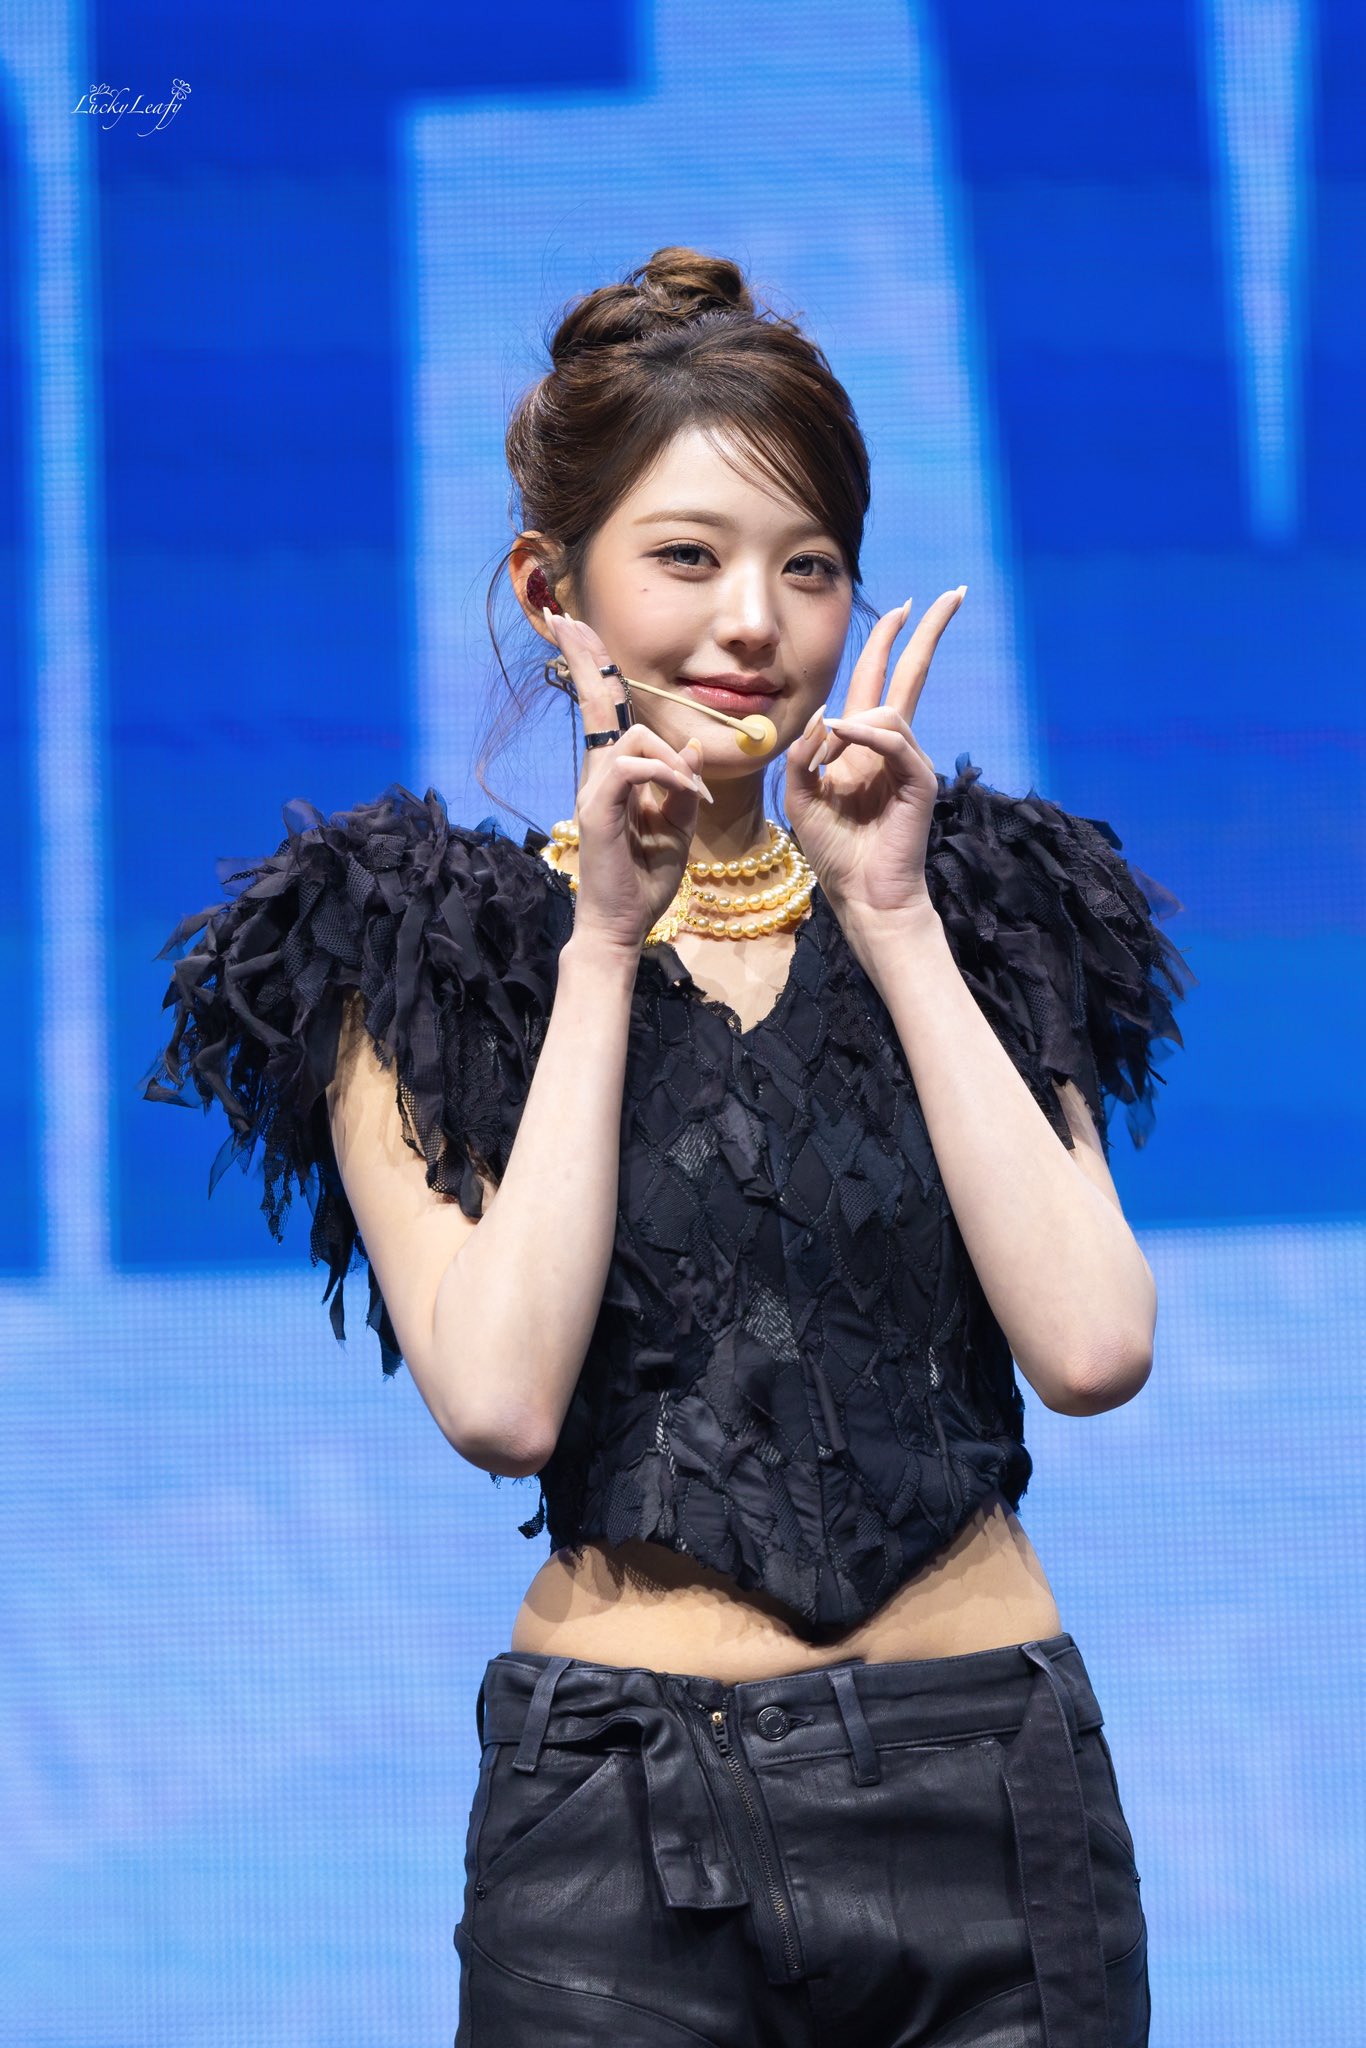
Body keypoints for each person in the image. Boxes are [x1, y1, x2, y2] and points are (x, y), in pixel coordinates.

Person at [143, 246, 1193, 2045]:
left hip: (990, 1802)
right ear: (550, 587)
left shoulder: (983, 904)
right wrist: (604, 947)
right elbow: (498, 1400)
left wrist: (893, 919)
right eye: (687, 559)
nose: (752, 625)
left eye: (809, 566)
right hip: (621, 1830)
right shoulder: (417, 945)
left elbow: (1092, 1348)